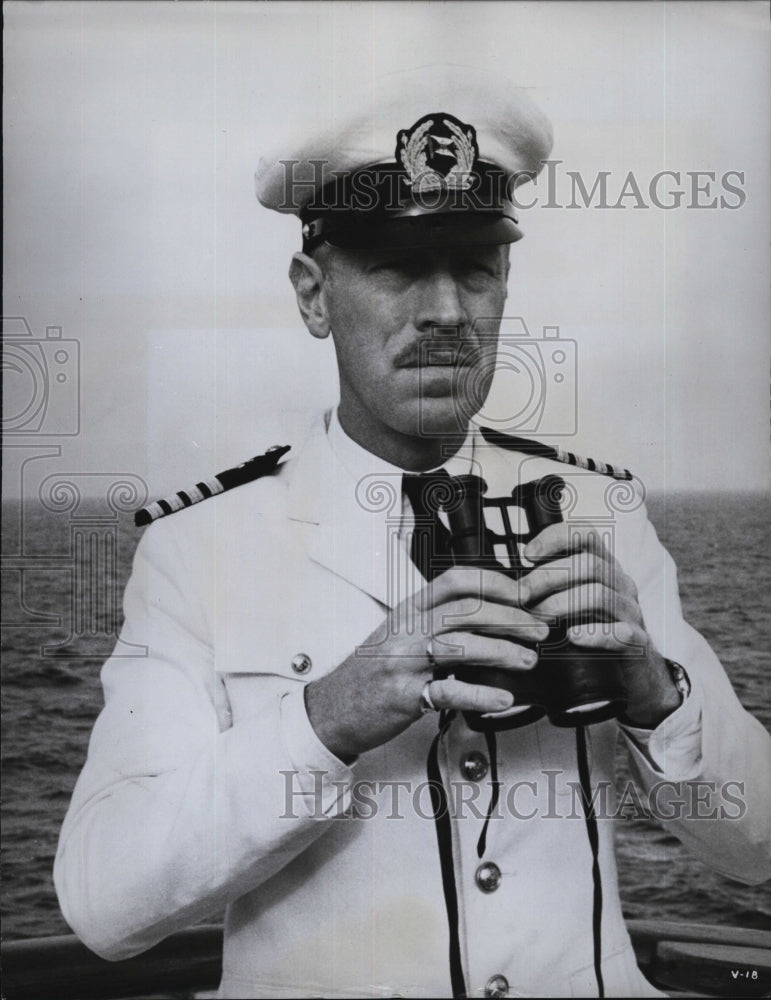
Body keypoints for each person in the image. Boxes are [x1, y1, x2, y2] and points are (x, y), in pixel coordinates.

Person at [55, 67, 771, 999]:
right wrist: (327, 719)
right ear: (314, 294)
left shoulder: (603, 517)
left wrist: (654, 695)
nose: (444, 312)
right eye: (395, 268)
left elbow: (755, 847)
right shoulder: (200, 551)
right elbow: (104, 901)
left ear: (505, 281)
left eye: (474, 266)